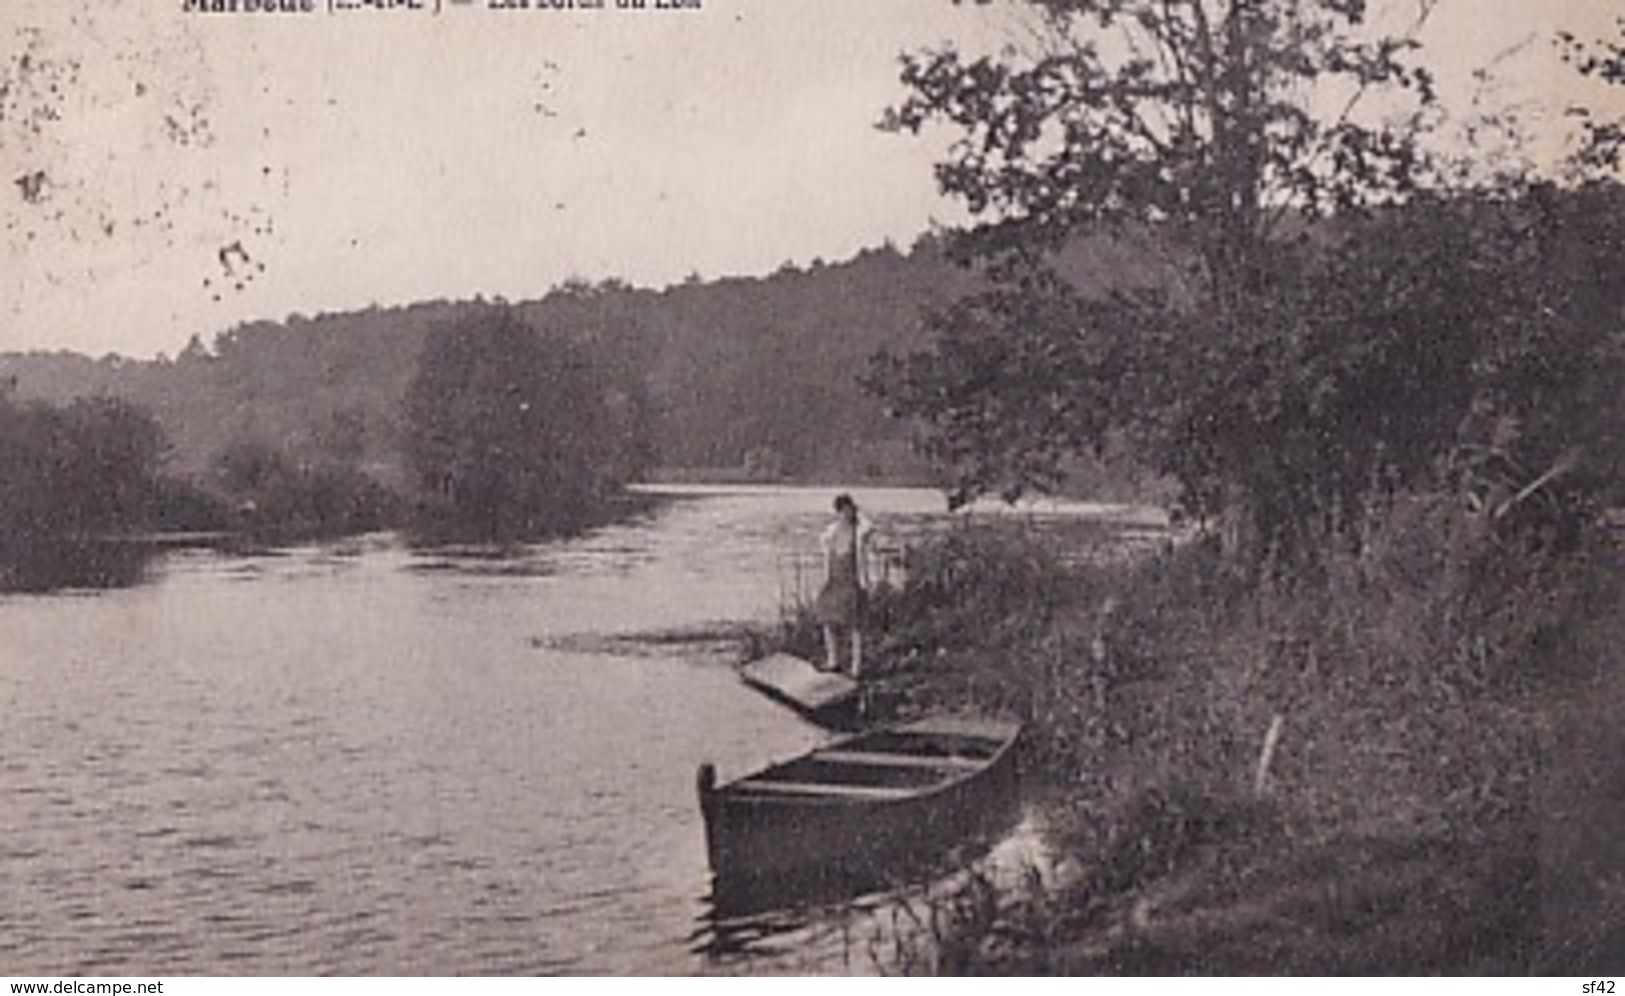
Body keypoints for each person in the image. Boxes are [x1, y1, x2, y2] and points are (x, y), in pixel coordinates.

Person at [813, 493, 875, 677]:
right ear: (838, 512)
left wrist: (859, 513)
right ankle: (833, 661)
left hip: (853, 581)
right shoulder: (831, 531)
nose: (846, 513)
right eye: (843, 510)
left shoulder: (860, 531)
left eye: (849, 509)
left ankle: (856, 667)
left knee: (855, 625)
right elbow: (823, 544)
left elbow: (870, 527)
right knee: (827, 619)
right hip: (833, 580)